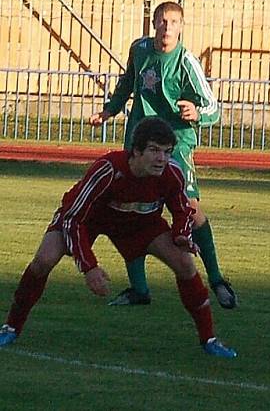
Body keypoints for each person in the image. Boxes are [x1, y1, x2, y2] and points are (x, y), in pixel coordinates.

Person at [0, 117, 237, 357]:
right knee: (43, 260)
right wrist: (89, 267)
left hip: (140, 223)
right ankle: (11, 326)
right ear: (136, 151)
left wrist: (182, 236)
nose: (161, 159)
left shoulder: (172, 173)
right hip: (90, 219)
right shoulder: (108, 169)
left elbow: (182, 210)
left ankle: (209, 339)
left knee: (185, 264)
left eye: (167, 152)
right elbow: (74, 219)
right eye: (154, 150)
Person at [89, 1, 237, 309]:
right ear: (153, 22)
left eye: (173, 22)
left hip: (176, 144)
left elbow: (212, 107)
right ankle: (139, 289)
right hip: (140, 142)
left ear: (181, 26)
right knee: (130, 208)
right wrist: (110, 110)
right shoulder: (140, 49)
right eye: (162, 21)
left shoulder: (186, 61)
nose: (167, 27)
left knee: (191, 207)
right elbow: (127, 82)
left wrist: (197, 112)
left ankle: (217, 279)